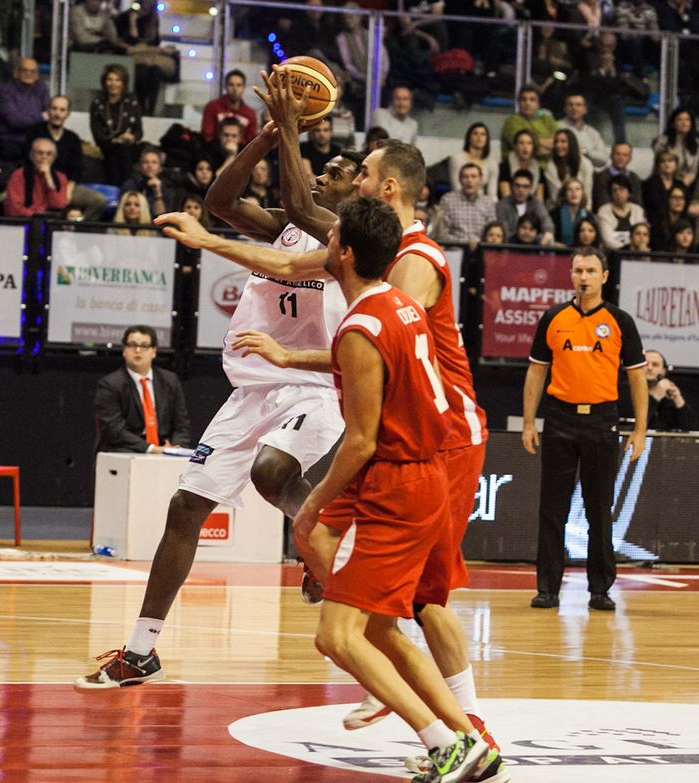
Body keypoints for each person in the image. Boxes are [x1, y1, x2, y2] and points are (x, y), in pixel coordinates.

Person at [249, 74, 500, 772]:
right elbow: (294, 233)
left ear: (385, 193)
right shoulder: (383, 276)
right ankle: (438, 711)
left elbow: (374, 371)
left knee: (415, 602)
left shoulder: (405, 277)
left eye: (359, 173)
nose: (351, 178)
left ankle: (458, 727)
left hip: (436, 442)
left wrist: (288, 131)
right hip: (412, 443)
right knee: (371, 596)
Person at [74, 119, 357, 691]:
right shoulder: (286, 227)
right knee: (184, 508)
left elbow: (300, 201)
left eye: (339, 173)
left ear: (361, 193)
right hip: (251, 389)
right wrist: (267, 136)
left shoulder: (355, 238)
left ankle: (322, 547)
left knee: (271, 471)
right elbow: (220, 200)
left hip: (314, 384)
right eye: (322, 170)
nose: (323, 174)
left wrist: (290, 137)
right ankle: (141, 651)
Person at [293, 196, 492, 783]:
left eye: (331, 241)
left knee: (335, 635)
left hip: (397, 480)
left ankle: (443, 744)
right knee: (378, 626)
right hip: (421, 470)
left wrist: (313, 502)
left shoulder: (361, 326)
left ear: (346, 253)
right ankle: (469, 739)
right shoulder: (403, 304)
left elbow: (358, 441)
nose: (325, 246)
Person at [522, 246, 648, 612]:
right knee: (552, 510)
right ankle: (548, 588)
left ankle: (599, 589)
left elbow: (637, 378)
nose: (584, 277)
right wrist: (529, 422)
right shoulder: (553, 317)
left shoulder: (620, 322)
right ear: (571, 274)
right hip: (559, 418)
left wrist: (639, 430)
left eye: (591, 270)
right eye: (578, 270)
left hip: (602, 421)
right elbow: (536, 371)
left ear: (605, 276)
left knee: (598, 510)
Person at [94, 325, 191, 454]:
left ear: (154, 351)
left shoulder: (170, 381)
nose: (138, 350)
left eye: (144, 346)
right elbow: (114, 430)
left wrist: (177, 448)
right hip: (124, 449)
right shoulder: (109, 385)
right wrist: (151, 449)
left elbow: (182, 424)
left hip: (164, 448)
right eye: (132, 345)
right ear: (124, 350)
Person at [25, 95, 107, 220]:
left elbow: (77, 168)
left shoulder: (72, 138)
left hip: (65, 186)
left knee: (99, 200)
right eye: (54, 109)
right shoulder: (34, 133)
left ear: (67, 114)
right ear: (48, 111)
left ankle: (77, 228)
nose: (57, 114)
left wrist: (68, 190)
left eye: (62, 110)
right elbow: (27, 161)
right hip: (37, 184)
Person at [114, 0, 178, 115]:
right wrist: (133, 22)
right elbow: (129, 41)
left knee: (155, 71)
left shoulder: (153, 19)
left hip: (150, 56)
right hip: (133, 55)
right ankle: (140, 105)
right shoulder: (124, 17)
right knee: (142, 70)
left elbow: (155, 41)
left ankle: (151, 108)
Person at [90, 63, 143, 186]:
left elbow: (139, 132)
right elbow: (97, 134)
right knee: (114, 155)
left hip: (129, 147)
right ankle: (123, 190)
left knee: (124, 150)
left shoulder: (132, 102)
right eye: (110, 79)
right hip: (108, 145)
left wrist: (132, 137)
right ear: (104, 82)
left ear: (124, 83)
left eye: (118, 80)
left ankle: (125, 190)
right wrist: (115, 140)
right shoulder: (97, 103)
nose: (113, 84)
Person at [0, 57, 50, 161]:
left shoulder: (42, 88)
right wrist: (41, 116)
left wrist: (26, 118)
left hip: (34, 140)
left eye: (32, 71)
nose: (29, 74)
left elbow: (49, 114)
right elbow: (15, 122)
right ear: (16, 73)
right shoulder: (6, 91)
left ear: (37, 75)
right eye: (24, 70)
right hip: (9, 141)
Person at [435, 162, 496, 250]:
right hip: (455, 250)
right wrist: (465, 243)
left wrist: (478, 243)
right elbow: (442, 232)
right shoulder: (448, 200)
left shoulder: (488, 202)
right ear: (460, 180)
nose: (469, 180)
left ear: (480, 179)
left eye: (473, 176)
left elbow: (492, 231)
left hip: (482, 250)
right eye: (465, 177)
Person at [4, 137, 68, 217]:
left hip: (49, 221)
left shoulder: (60, 177)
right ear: (31, 155)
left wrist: (48, 178)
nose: (44, 157)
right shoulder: (19, 175)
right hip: (23, 221)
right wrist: (35, 216)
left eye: (49, 154)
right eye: (40, 153)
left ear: (54, 158)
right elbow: (13, 208)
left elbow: (58, 205)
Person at [500, 85, 558, 165]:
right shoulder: (512, 121)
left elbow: (560, 143)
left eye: (532, 100)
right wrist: (552, 146)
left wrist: (537, 142)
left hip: (549, 168)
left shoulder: (546, 119)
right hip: (519, 169)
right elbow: (525, 150)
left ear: (538, 104)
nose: (527, 103)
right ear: (519, 103)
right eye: (523, 99)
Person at [496, 168, 555, 245]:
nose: (521, 190)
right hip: (510, 245)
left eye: (525, 186)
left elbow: (546, 221)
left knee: (549, 238)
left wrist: (548, 233)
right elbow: (504, 232)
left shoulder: (535, 203)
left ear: (531, 189)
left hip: (533, 244)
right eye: (517, 185)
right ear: (511, 186)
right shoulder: (502, 205)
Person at [200, 68, 258, 146]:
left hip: (241, 154)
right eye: (231, 84)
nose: (235, 88)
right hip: (214, 152)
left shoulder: (250, 113)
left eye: (239, 85)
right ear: (225, 87)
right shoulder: (212, 107)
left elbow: (252, 141)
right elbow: (207, 135)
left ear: (243, 88)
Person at [644, 349, 697, 431]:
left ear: (663, 371)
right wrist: (656, 395)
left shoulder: (669, 394)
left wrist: (678, 399)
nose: (650, 368)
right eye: (645, 364)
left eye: (655, 365)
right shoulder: (625, 391)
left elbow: (691, 430)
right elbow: (634, 422)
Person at [544, 128, 594, 209]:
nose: (558, 145)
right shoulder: (551, 165)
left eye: (563, 141)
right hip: (558, 209)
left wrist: (585, 216)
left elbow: (587, 195)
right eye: (556, 142)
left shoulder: (586, 164)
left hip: (582, 208)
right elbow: (556, 196)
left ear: (571, 143)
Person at [448, 122, 499, 200]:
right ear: (469, 138)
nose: (479, 137)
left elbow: (492, 194)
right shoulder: (457, 158)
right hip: (460, 202)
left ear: (487, 139)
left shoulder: (492, 163)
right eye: (475, 133)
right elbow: (456, 188)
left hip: (483, 204)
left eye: (483, 134)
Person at [652, 107, 699, 189]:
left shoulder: (696, 143)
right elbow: (660, 166)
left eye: (687, 120)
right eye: (680, 120)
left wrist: (684, 184)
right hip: (665, 182)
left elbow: (693, 171)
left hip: (687, 184)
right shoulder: (663, 141)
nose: (684, 123)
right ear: (673, 124)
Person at [557, 92, 609, 169]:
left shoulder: (592, 132)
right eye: (570, 104)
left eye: (578, 105)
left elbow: (604, 159)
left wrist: (585, 152)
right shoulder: (556, 127)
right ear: (565, 108)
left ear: (585, 109)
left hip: (588, 175)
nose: (574, 108)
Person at [121, 146, 176, 217]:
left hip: (154, 226)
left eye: (154, 162)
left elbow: (161, 217)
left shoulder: (166, 188)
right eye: (145, 162)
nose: (149, 165)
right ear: (139, 166)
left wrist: (157, 192)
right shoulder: (129, 185)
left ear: (160, 168)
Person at [597, 174, 647, 250]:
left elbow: (641, 235)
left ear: (629, 192)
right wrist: (628, 248)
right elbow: (608, 240)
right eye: (614, 190)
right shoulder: (603, 211)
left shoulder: (638, 210)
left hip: (636, 252)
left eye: (621, 189)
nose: (618, 193)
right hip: (612, 253)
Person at [592, 142, 643, 212]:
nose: (621, 158)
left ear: (630, 159)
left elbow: (638, 204)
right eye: (617, 154)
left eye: (625, 155)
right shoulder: (601, 177)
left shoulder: (634, 178)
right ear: (611, 156)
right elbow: (602, 204)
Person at [498, 129, 543, 201]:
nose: (525, 147)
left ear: (533, 147)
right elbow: (506, 199)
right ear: (515, 146)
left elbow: (540, 201)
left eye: (529, 143)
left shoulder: (539, 169)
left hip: (532, 208)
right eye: (521, 143)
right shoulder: (504, 167)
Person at [642, 149, 686, 218]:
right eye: (663, 161)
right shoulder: (650, 183)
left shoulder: (680, 184)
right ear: (658, 165)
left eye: (670, 161)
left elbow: (685, 205)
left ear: (676, 164)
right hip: (655, 220)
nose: (667, 164)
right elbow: (654, 205)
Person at [299, 116, 341, 184]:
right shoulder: (304, 147)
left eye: (325, 130)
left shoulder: (337, 150)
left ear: (331, 132)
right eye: (318, 130)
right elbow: (308, 176)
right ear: (312, 133)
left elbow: (339, 176)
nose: (321, 134)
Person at [550, 177, 590, 247]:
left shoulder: (589, 216)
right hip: (558, 253)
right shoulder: (554, 214)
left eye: (577, 189)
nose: (574, 192)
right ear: (564, 194)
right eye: (569, 189)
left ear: (582, 193)